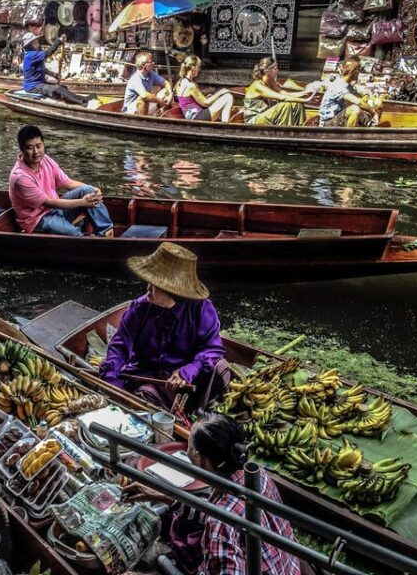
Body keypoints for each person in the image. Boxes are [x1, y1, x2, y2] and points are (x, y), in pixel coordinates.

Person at [122, 413, 302, 575]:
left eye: (190, 447)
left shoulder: (220, 522)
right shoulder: (256, 475)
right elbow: (209, 511)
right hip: (288, 567)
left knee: (173, 549)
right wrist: (160, 496)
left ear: (200, 458)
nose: (187, 451)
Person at [99, 242, 231, 412]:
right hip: (148, 376)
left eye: (155, 285)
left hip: (187, 379)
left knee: (221, 368)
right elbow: (120, 346)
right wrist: (111, 379)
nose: (148, 288)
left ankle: (197, 408)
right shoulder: (139, 308)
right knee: (146, 395)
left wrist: (190, 369)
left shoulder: (201, 309)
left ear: (172, 292)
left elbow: (213, 348)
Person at [9, 125, 113, 237]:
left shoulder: (46, 160)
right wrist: (82, 202)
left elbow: (68, 183)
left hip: (56, 208)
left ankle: (106, 232)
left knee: (88, 190)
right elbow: (49, 202)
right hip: (38, 219)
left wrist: (95, 190)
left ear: (43, 144)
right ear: (22, 149)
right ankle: (87, 241)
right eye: (30, 148)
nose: (36, 152)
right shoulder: (20, 177)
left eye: (39, 146)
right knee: (75, 235)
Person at [21, 32, 93, 105]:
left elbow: (42, 69)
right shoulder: (30, 55)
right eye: (34, 43)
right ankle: (81, 102)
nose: (37, 45)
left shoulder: (35, 55)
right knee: (57, 88)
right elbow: (48, 53)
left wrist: (54, 75)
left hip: (39, 83)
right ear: (30, 46)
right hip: (33, 86)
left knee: (62, 87)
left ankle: (81, 98)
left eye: (37, 42)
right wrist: (58, 41)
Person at [243, 57, 310, 126]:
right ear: (268, 71)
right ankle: (283, 130)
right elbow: (282, 98)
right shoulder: (258, 85)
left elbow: (284, 94)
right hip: (254, 120)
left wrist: (303, 93)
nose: (278, 70)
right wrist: (306, 100)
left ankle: (298, 128)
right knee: (285, 106)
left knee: (297, 104)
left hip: (266, 115)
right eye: (275, 69)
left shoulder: (270, 82)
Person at [318, 57, 378, 127]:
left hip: (340, 118)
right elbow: (358, 102)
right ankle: (349, 133)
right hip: (328, 123)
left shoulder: (348, 86)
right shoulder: (338, 85)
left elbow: (361, 99)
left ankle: (372, 127)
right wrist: (373, 111)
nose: (359, 72)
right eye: (359, 70)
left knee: (377, 103)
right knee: (354, 109)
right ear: (353, 72)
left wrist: (370, 100)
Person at [175, 55, 234, 122]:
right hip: (198, 117)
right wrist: (220, 92)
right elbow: (206, 103)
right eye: (198, 67)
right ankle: (225, 125)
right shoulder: (191, 86)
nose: (199, 70)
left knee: (216, 99)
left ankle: (223, 123)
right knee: (228, 97)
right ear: (193, 68)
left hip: (191, 116)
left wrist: (207, 96)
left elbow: (188, 100)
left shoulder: (179, 82)